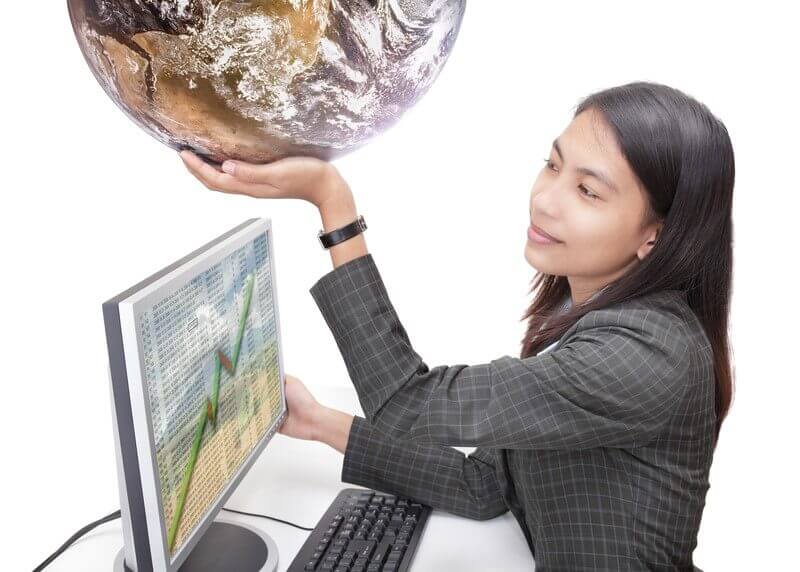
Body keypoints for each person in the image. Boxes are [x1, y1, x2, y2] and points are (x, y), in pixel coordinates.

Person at [179, 81, 735, 571]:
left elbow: (407, 403)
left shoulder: (642, 358)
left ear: (656, 236)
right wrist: (322, 423)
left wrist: (331, 200)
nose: (544, 199)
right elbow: (487, 485)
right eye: (553, 164)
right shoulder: (602, 325)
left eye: (588, 191)